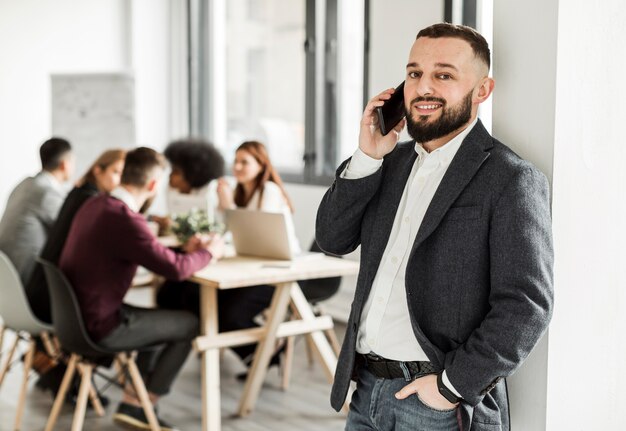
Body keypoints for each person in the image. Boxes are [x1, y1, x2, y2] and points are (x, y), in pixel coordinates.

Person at [315, 23, 554, 431]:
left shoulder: (509, 177)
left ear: (482, 90)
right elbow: (332, 238)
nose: (423, 87)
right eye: (414, 73)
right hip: (366, 389)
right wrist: (367, 156)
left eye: (444, 75)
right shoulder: (385, 163)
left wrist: (450, 387)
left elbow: (526, 303)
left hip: (437, 405)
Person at [59, 147, 224, 431]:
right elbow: (175, 269)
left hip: (74, 320)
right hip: (99, 326)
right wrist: (210, 252)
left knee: (162, 316)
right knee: (189, 324)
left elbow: (152, 252)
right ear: (152, 185)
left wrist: (185, 250)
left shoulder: (96, 204)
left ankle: (133, 400)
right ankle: (142, 401)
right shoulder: (125, 219)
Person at [27, 149, 125, 401]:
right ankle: (72, 379)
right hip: (56, 297)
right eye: (115, 172)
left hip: (43, 286)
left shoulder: (78, 193)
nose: (119, 179)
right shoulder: (93, 202)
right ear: (98, 170)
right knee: (107, 311)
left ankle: (57, 369)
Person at [0, 137, 74, 284]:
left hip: (6, 278)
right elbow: (71, 230)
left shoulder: (24, 184)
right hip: (25, 281)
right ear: (65, 165)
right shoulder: (46, 192)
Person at [150, 138, 225, 231]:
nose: (170, 175)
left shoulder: (212, 192)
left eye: (176, 172)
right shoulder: (170, 190)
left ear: (192, 175)